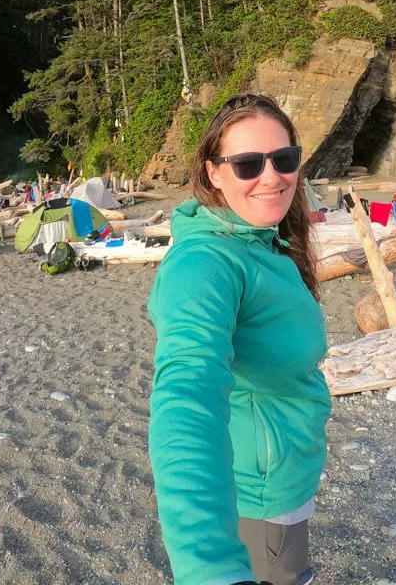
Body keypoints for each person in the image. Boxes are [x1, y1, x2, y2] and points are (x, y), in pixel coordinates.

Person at [148, 94, 330, 585]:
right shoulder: (204, 265)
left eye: (284, 159)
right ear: (213, 172)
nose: (271, 176)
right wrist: (209, 570)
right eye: (247, 164)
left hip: (286, 474)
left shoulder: (266, 240)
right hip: (257, 497)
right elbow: (186, 400)